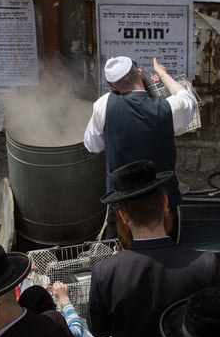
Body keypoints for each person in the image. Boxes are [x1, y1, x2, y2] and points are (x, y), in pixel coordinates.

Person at [89, 160, 220, 337]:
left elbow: (99, 331)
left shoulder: (105, 272)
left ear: (123, 216)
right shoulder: (206, 266)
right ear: (165, 204)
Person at [83, 56, 197, 238]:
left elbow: (92, 145)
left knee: (122, 257)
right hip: (162, 202)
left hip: (122, 203)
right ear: (140, 73)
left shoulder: (104, 104)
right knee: (167, 257)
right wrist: (162, 74)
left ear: (113, 87)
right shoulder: (167, 108)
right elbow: (187, 98)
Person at [20, 282, 85, 337]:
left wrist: (40, 293)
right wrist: (64, 299)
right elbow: (77, 332)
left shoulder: (19, 336)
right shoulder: (55, 336)